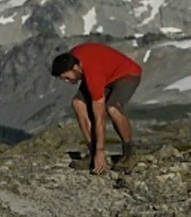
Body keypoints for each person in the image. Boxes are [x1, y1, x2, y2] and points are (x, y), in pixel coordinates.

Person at [50, 42, 143, 174]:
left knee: (113, 108)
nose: (66, 81)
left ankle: (130, 152)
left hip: (127, 75)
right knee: (78, 103)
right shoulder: (73, 59)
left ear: (76, 68)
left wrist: (101, 151)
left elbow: (100, 118)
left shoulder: (93, 73)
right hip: (105, 75)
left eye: (67, 77)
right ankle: (92, 152)